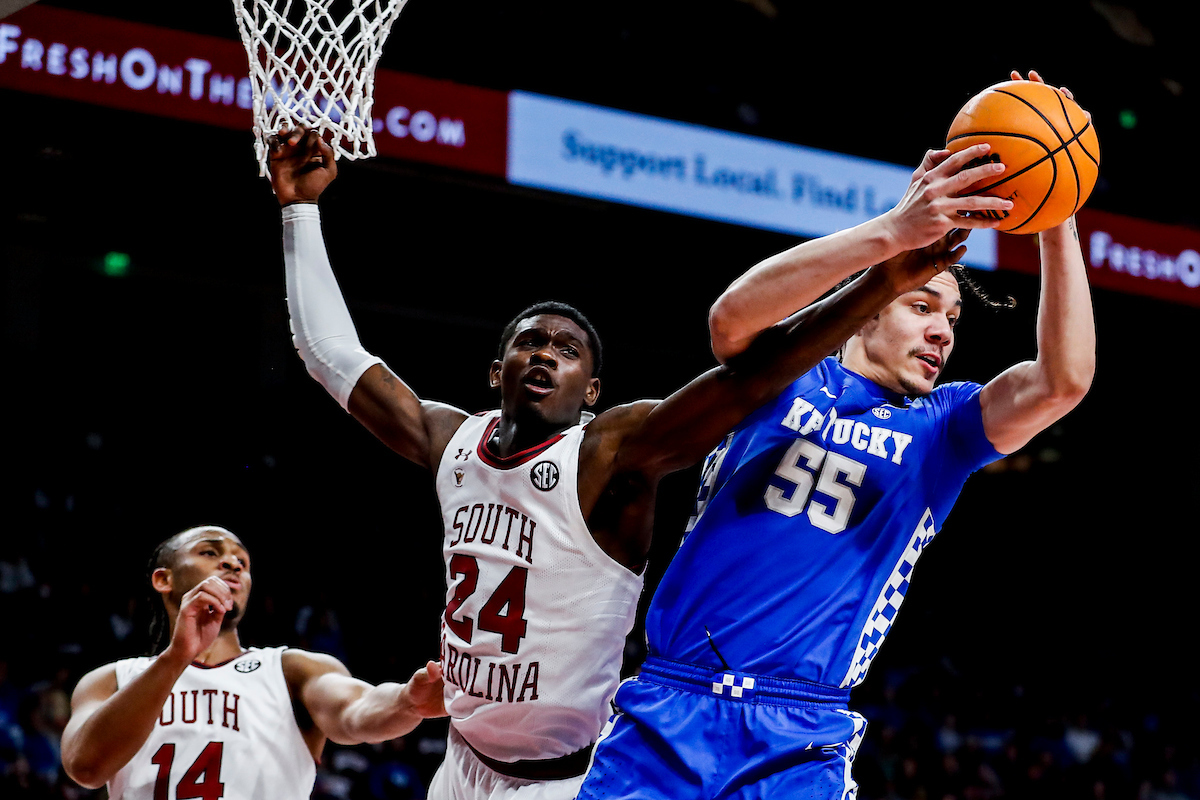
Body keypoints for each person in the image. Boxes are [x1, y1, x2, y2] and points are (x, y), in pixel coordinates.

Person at [266, 118, 1012, 799]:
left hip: (571, 778)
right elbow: (332, 356)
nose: (544, 354)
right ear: (495, 372)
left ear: (591, 390)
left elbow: (750, 376)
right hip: (460, 765)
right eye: (529, 341)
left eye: (567, 349)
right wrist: (299, 212)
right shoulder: (450, 442)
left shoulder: (612, 454)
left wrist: (882, 275)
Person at [575, 72, 1096, 800]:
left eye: (954, 319)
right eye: (922, 305)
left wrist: (1058, 214)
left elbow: (1063, 380)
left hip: (801, 734)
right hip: (669, 707)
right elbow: (731, 319)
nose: (943, 329)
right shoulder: (787, 375)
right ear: (872, 309)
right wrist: (893, 237)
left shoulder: (943, 426)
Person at [60, 525, 447, 798]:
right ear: (164, 579)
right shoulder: (111, 679)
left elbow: (356, 710)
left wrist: (405, 702)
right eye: (210, 552)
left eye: (242, 562)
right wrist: (179, 656)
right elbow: (85, 767)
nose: (233, 565)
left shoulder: (292, 671)